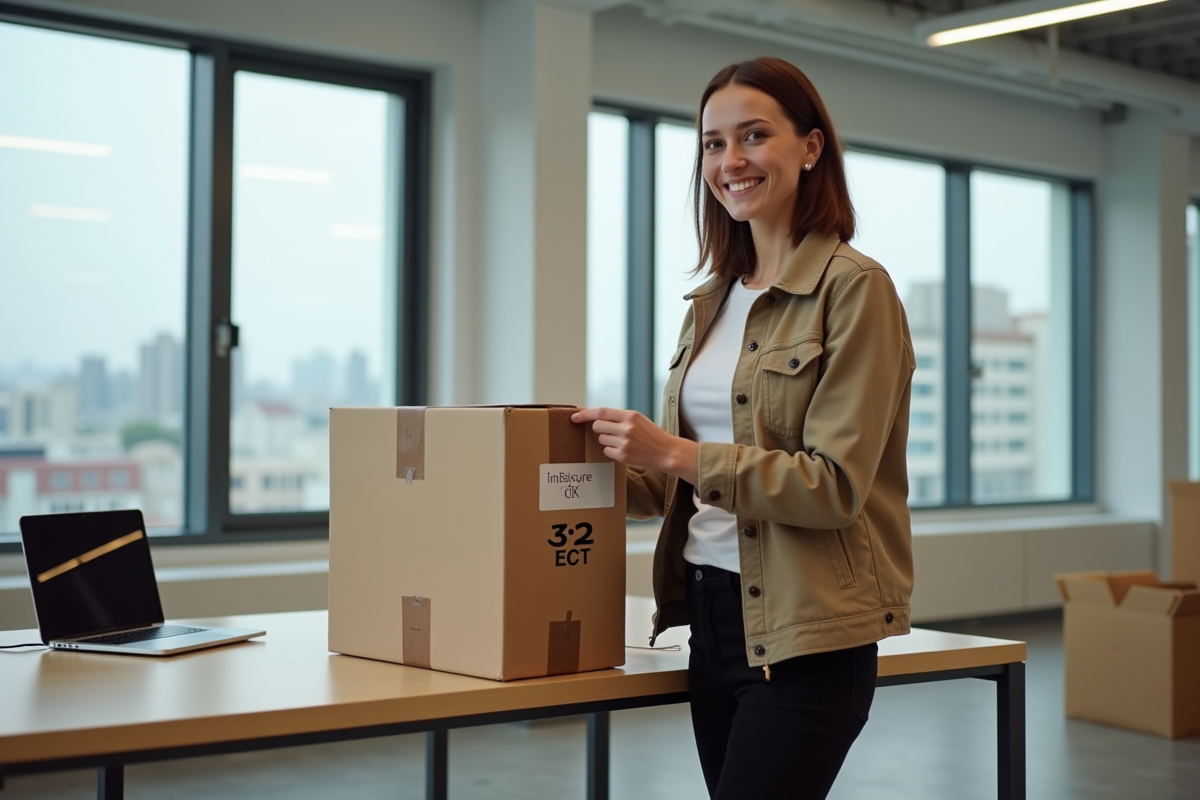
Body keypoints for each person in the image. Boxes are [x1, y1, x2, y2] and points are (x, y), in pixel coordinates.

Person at [572, 57, 915, 799]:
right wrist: (579, 461)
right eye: (711, 144)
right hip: (711, 619)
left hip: (808, 635)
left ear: (811, 147)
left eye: (753, 136)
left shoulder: (856, 291)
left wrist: (672, 449)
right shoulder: (713, 302)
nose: (730, 162)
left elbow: (836, 487)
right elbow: (675, 482)